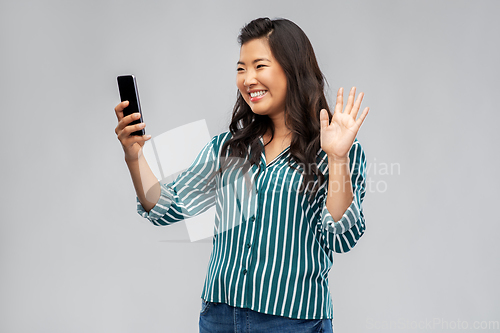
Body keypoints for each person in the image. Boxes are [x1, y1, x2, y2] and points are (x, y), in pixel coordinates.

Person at [114, 17, 369, 333]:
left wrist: (338, 157)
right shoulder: (229, 148)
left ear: (293, 70)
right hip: (220, 317)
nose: (248, 79)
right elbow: (167, 206)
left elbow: (341, 237)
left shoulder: (333, 149)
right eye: (240, 68)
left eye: (260, 66)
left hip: (291, 321)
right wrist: (134, 156)